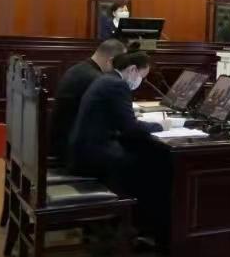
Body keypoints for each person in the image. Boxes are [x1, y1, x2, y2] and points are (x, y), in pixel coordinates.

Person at [67, 50, 171, 243]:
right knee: (154, 166)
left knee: (146, 158)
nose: (140, 82)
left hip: (84, 148)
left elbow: (120, 120)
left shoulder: (106, 79)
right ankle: (144, 226)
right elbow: (129, 127)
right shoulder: (117, 85)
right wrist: (160, 126)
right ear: (132, 70)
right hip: (93, 153)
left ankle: (140, 223)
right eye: (142, 77)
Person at [49, 39, 128, 163]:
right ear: (111, 61)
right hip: (73, 150)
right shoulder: (96, 79)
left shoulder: (79, 69)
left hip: (62, 141)